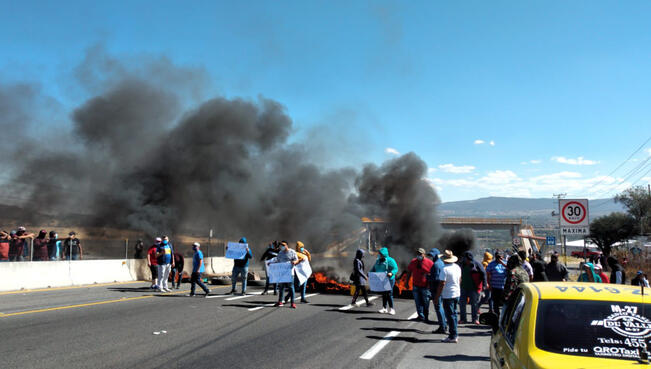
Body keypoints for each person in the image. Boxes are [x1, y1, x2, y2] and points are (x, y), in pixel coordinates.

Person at [434, 250, 461, 343]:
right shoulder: (457, 267)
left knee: (450, 316)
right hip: (457, 293)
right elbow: (459, 280)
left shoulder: (444, 269)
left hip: (448, 295)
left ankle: (453, 336)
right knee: (454, 314)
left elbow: (442, 283)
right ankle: (454, 333)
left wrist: (437, 297)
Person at [459, 251, 487, 325]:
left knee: (474, 304)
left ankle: (475, 319)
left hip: (474, 288)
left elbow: (484, 274)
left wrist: (484, 286)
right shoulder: (462, 264)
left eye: (465, 258)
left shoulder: (477, 264)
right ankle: (463, 319)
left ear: (468, 258)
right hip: (464, 287)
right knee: (462, 304)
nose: (463, 259)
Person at [406, 248, 433, 321]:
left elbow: (432, 275)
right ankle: (420, 316)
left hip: (425, 287)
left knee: (426, 302)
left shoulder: (429, 263)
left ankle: (426, 317)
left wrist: (430, 285)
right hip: (416, 285)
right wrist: (407, 282)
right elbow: (409, 272)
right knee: (418, 302)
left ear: (424, 254)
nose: (419, 255)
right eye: (417, 254)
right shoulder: (413, 261)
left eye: (420, 254)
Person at [371, 247, 398, 315]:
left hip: (389, 279)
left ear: (385, 254)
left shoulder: (390, 260)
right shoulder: (378, 260)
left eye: (381, 254)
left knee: (388, 293)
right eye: (379, 254)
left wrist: (391, 273)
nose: (380, 255)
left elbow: (395, 268)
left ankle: (392, 309)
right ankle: (384, 308)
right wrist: (370, 273)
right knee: (384, 293)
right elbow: (374, 268)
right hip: (381, 278)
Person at [273, 241, 299, 308]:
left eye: (283, 245)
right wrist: (271, 264)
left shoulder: (292, 252)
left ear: (287, 245)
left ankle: (292, 303)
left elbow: (297, 260)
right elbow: (277, 261)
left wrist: (294, 262)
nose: (282, 246)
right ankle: (280, 301)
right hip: (282, 273)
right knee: (281, 288)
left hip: (290, 273)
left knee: (291, 287)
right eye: (281, 245)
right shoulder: (280, 253)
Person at [427, 248, 447, 334]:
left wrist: (427, 277)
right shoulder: (441, 263)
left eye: (432, 255)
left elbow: (435, 279)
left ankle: (442, 327)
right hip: (440, 289)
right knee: (441, 308)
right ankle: (444, 325)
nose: (431, 257)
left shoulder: (435, 265)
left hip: (436, 289)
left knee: (438, 308)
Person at [485, 251, 508, 316]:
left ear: (502, 257)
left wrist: (502, 263)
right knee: (496, 303)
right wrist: (489, 284)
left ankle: (503, 316)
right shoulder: (491, 264)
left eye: (500, 257)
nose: (498, 259)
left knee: (504, 303)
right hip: (495, 286)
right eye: (497, 257)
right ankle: (497, 316)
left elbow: (510, 269)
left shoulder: (505, 263)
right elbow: (488, 274)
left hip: (504, 287)